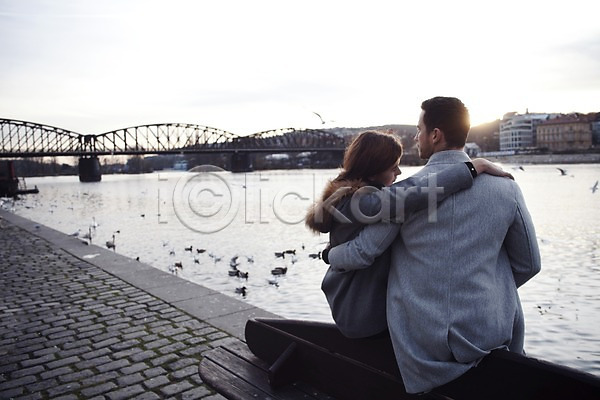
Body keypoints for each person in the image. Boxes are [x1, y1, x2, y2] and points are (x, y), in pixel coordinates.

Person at [327, 97, 541, 394]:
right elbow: (530, 264)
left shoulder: (404, 196)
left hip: (421, 346)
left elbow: (364, 251)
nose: (416, 136)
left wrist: (329, 254)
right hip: (491, 333)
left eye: (419, 130)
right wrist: (483, 291)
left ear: (436, 135)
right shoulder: (506, 187)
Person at [305, 129, 512, 339]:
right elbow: (417, 193)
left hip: (351, 305)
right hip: (362, 314)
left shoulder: (349, 196)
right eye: (393, 166)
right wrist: (474, 167)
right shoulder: (363, 201)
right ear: (374, 168)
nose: (399, 172)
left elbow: (406, 191)